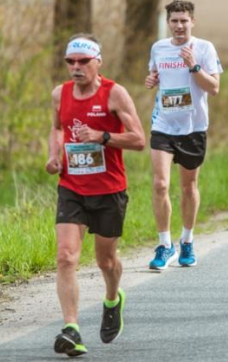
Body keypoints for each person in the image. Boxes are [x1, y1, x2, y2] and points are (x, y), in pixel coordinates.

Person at [46, 34, 145, 357]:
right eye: (70, 62)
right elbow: (58, 128)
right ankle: (71, 328)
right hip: (72, 187)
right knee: (66, 257)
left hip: (109, 190)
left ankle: (113, 299)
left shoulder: (114, 94)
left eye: (83, 62)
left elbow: (138, 139)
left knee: (105, 260)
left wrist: (103, 136)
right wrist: (54, 154)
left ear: (97, 61)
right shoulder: (59, 94)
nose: (76, 68)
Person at [144, 0, 222, 270]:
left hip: (193, 127)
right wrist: (151, 81)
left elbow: (214, 88)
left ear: (193, 22)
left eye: (184, 21)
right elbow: (155, 78)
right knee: (160, 184)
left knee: (188, 187)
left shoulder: (204, 48)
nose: (179, 26)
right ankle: (165, 245)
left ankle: (187, 240)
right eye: (174, 21)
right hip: (163, 124)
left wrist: (194, 66)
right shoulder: (158, 48)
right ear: (168, 23)